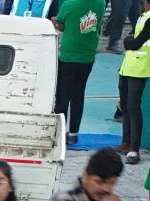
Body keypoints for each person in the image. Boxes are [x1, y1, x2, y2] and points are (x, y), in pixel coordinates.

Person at [49, 0, 102, 148]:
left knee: (62, 96)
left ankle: (59, 133)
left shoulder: (69, 4)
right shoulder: (101, 3)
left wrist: (55, 22)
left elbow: (62, 25)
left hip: (69, 56)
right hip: (88, 56)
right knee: (78, 94)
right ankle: (73, 134)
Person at [114, 0, 150, 164]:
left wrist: (130, 42)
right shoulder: (144, 15)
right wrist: (130, 41)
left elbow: (134, 42)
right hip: (128, 67)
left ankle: (134, 149)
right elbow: (131, 38)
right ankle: (125, 142)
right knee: (125, 106)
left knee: (133, 108)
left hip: (140, 69)